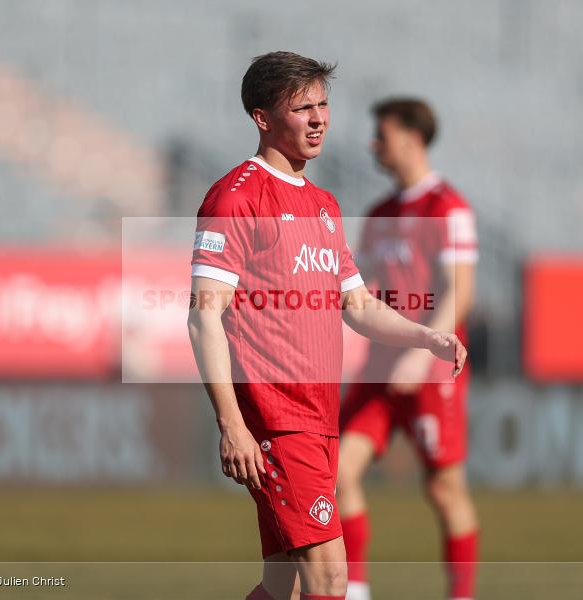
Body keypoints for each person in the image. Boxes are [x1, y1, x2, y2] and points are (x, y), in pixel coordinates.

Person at [187, 55, 467, 600]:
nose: (318, 120)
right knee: (331, 578)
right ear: (262, 117)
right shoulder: (237, 198)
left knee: (284, 585)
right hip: (276, 419)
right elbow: (204, 317)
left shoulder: (323, 205)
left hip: (320, 418)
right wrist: (231, 423)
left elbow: (358, 306)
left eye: (322, 105)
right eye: (302, 108)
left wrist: (425, 336)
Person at [337, 99, 480, 600]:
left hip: (431, 368)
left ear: (412, 139)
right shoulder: (379, 214)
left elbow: (461, 289)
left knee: (444, 489)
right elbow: (358, 288)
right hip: (379, 368)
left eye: (382, 135)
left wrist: (424, 354)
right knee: (336, 472)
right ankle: (354, 591)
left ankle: (460, 595)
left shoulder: (449, 209)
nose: (374, 144)